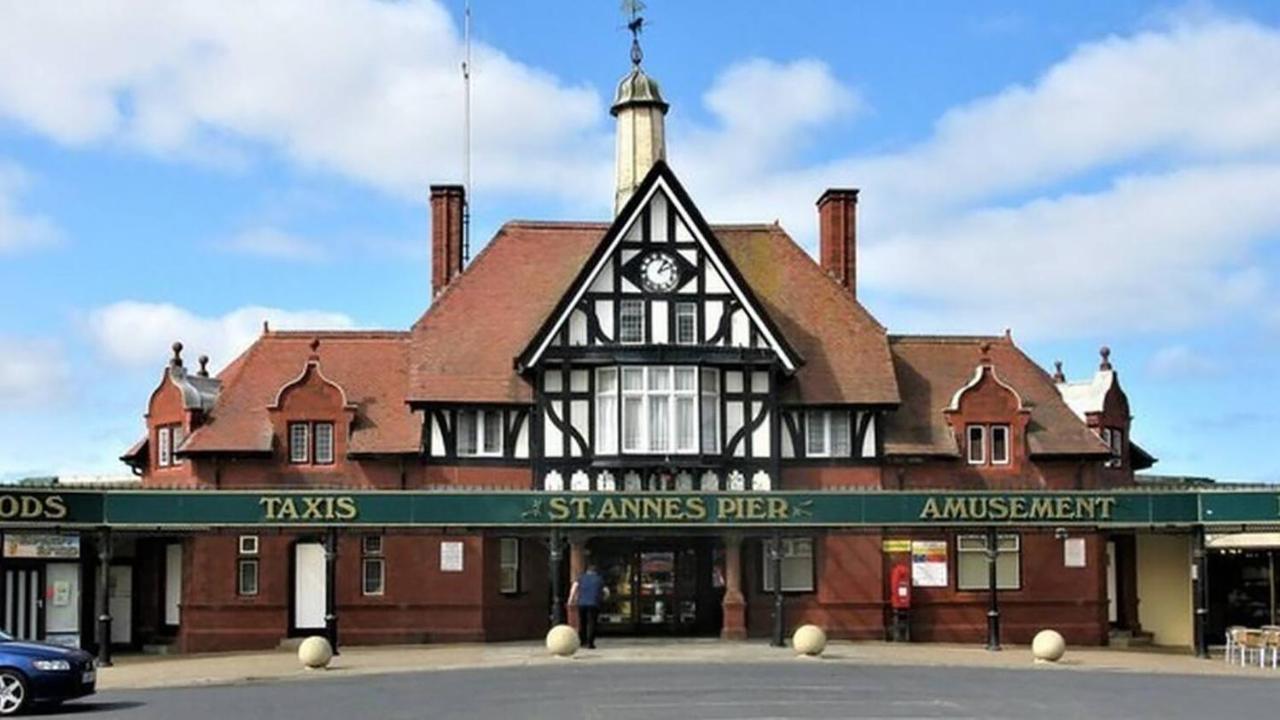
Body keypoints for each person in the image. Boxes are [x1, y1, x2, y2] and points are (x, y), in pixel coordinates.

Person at [568, 563, 607, 649]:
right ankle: (590, 643)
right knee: (592, 623)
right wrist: (602, 598)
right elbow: (606, 591)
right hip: (594, 604)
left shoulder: (581, 578)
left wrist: (571, 599)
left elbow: (574, 587)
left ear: (587, 571)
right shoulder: (599, 579)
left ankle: (582, 641)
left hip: (582, 603)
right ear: (595, 571)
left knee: (582, 622)